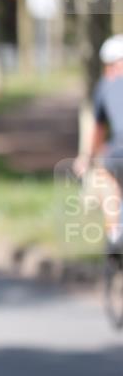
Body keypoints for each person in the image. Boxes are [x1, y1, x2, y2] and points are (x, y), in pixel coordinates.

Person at [74, 34, 123, 255]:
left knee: (106, 173)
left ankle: (114, 231)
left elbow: (98, 132)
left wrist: (87, 158)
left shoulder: (106, 85)